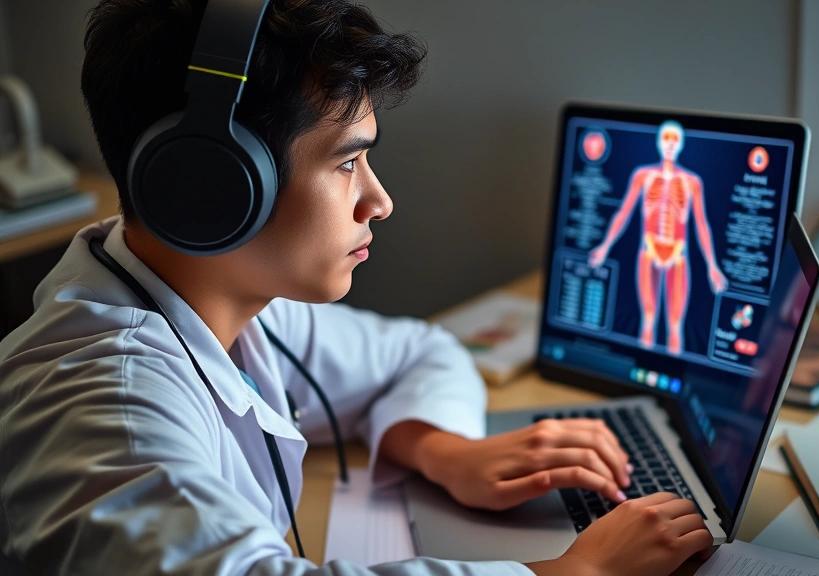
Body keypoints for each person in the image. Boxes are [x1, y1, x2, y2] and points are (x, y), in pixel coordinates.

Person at [0, 1, 713, 574]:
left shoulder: (228, 302)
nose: (379, 200)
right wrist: (574, 574)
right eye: (346, 164)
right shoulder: (108, 414)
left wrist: (445, 451)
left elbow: (416, 352)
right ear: (212, 188)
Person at [588, 121, 728, 356]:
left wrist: (712, 266)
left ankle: (671, 378)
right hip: (649, 251)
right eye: (666, 139)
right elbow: (624, 212)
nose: (670, 144)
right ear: (659, 143)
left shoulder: (692, 182)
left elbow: (702, 224)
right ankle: (642, 372)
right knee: (649, 319)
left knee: (675, 325)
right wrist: (605, 246)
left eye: (675, 140)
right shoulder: (643, 175)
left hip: (678, 255)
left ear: (680, 144)